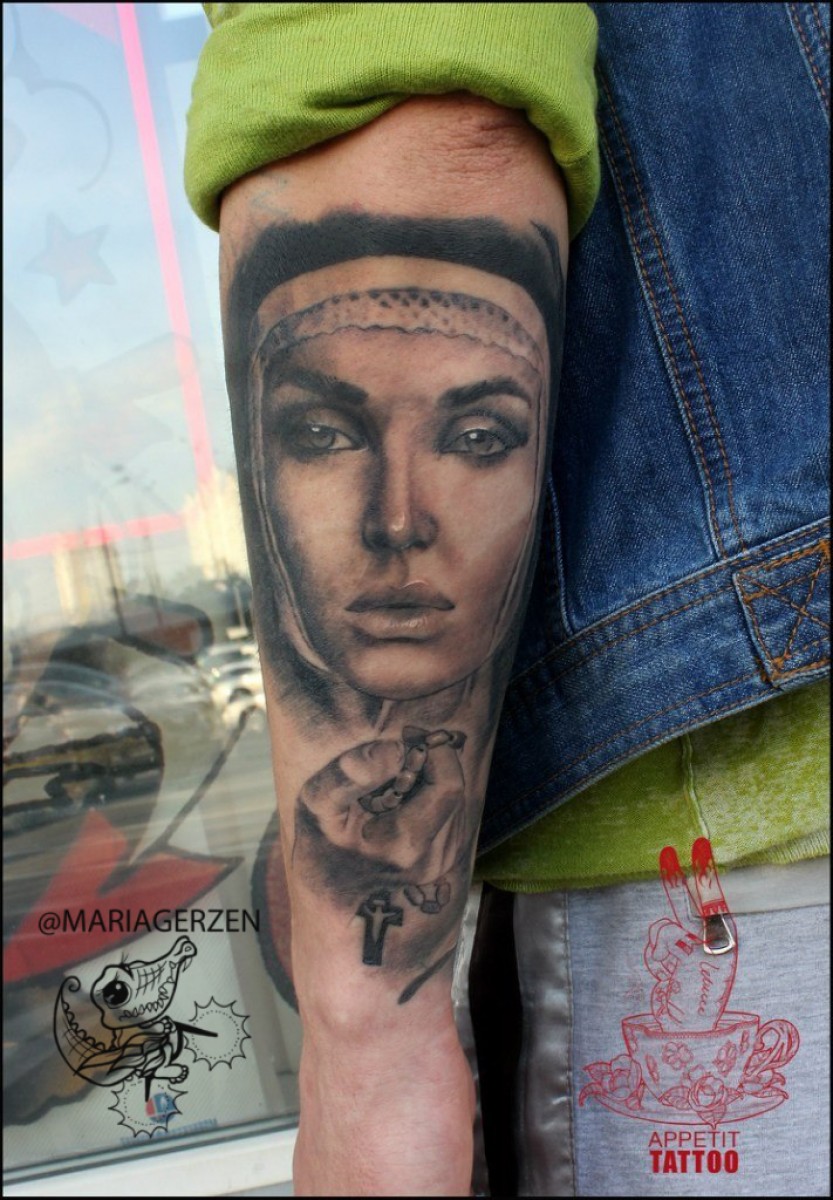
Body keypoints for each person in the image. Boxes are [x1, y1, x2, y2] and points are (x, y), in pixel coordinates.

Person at [185, 3, 829, 1195]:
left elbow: (430, 114)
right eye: (326, 432)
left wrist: (369, 1042)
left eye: (476, 434)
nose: (396, 520)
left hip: (725, 897)